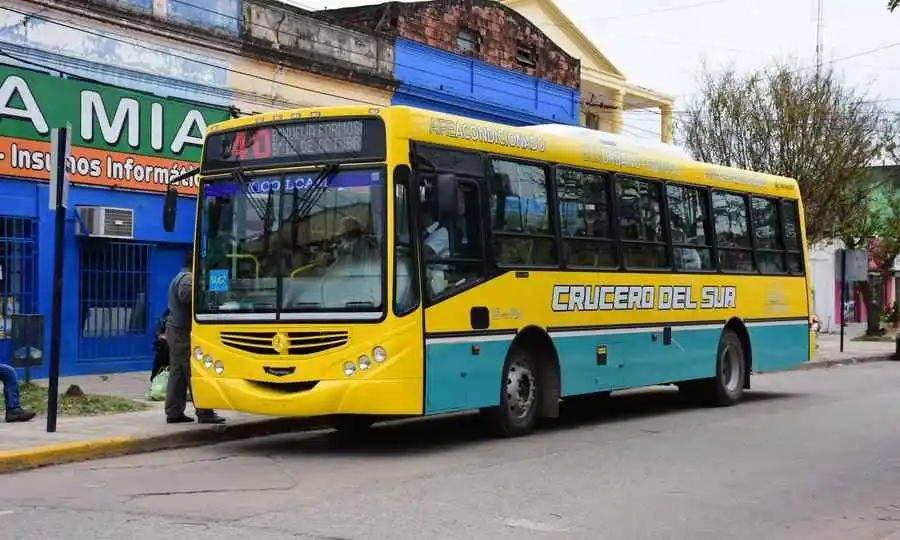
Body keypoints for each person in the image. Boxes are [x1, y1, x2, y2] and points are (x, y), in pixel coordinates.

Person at [165, 253, 225, 424]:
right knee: (192, 371)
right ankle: (204, 412)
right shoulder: (187, 278)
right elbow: (186, 296)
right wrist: (206, 291)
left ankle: (174, 412)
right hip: (182, 333)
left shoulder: (181, 276)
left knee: (178, 374)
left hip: (176, 331)